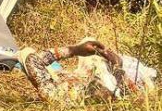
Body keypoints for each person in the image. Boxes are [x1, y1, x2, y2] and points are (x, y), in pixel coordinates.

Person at [19, 38, 157, 102]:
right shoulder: (65, 94)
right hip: (127, 80)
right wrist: (117, 66)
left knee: (26, 52)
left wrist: (75, 50)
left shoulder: (57, 92)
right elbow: (124, 94)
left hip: (124, 78)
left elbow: (32, 59)